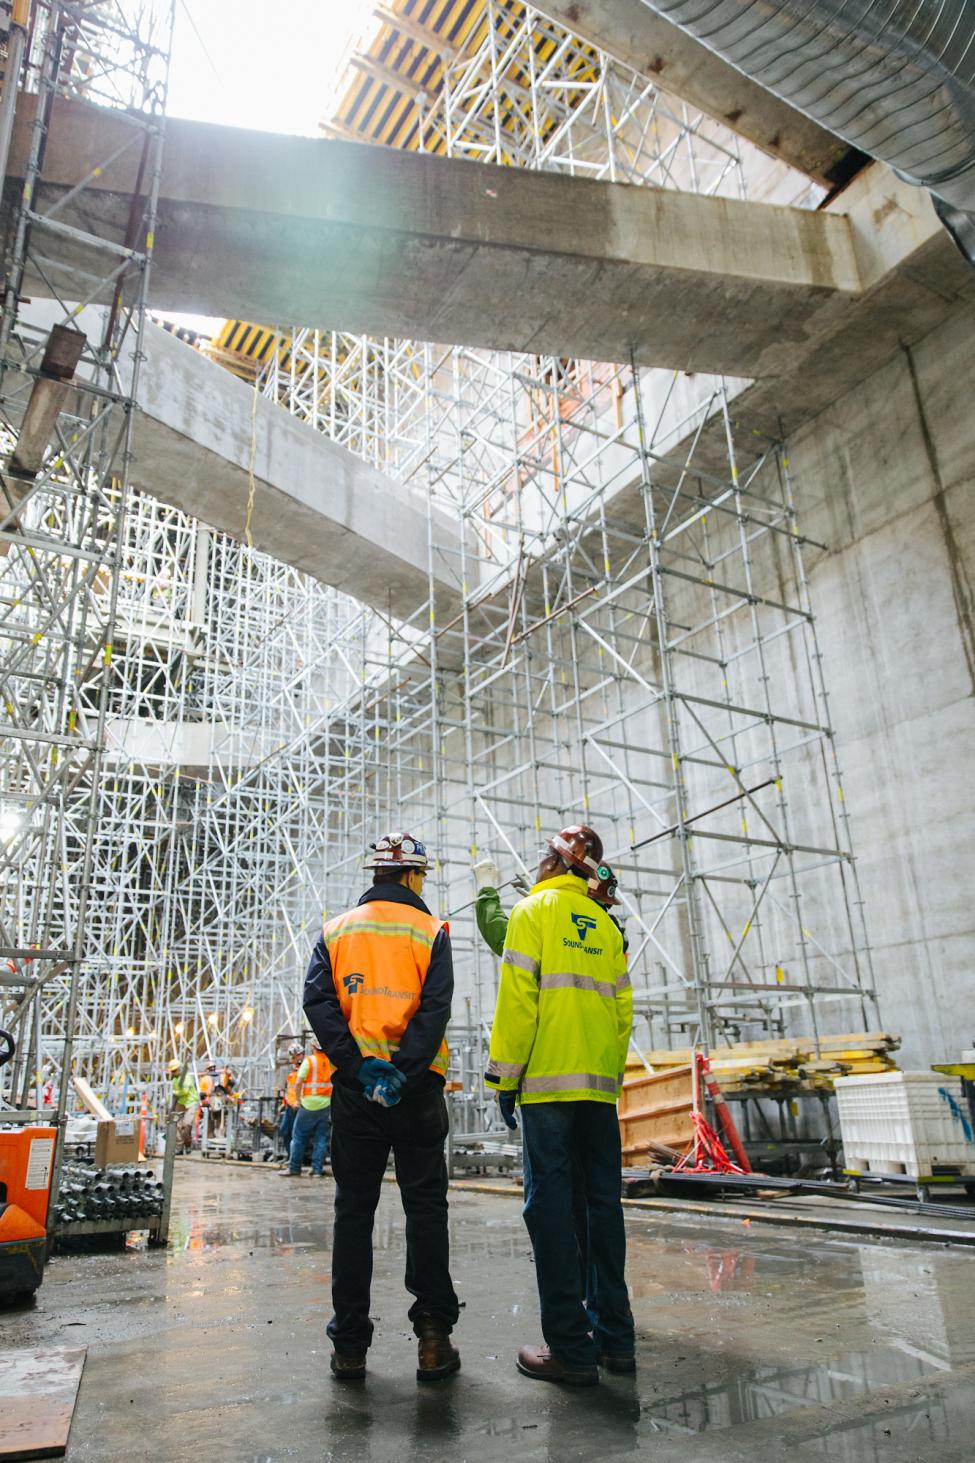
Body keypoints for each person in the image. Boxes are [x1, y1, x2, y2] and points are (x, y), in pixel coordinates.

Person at [304, 831, 460, 1384]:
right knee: (425, 1210)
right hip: (415, 1093)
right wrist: (405, 1071)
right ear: (415, 876)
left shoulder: (336, 930)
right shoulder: (431, 930)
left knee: (353, 1214)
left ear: (376, 875)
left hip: (356, 1093)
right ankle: (434, 1341)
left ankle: (350, 1347)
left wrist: (358, 1067)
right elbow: (435, 1009)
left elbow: (318, 1004)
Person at [486, 823, 634, 1387]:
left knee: (548, 1211)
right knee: (602, 1210)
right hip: (597, 1090)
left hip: (547, 1087)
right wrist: (607, 1077)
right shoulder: (604, 924)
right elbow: (623, 1014)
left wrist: (505, 1075)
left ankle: (570, 1350)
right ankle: (616, 1341)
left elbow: (519, 1003)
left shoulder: (532, 912)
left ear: (555, 863)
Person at [282, 1037, 332, 1178]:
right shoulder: (330, 1061)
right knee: (321, 1139)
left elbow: (299, 1082)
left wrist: (297, 1100)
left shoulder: (309, 1061)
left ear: (313, 1047)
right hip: (326, 1105)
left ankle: (294, 1168)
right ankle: (317, 1170)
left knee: (298, 1137)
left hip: (309, 1105)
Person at [278, 1043, 304, 1160]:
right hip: (289, 1106)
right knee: (284, 1131)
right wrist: (284, 1103)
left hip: (298, 1106)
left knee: (296, 1134)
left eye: (296, 1056)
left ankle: (295, 1158)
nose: (294, 1059)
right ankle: (290, 1156)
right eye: (293, 1057)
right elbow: (289, 1089)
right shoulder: (293, 1072)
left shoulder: (304, 1069)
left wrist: (299, 1102)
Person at [168, 1058, 197, 1154]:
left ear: (179, 1069)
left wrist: (175, 1092)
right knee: (178, 1125)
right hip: (181, 1103)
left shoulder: (186, 1078)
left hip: (190, 1102)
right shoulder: (175, 1080)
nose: (173, 1073)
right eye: (172, 1071)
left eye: (174, 1071)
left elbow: (184, 1092)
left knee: (186, 1124)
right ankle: (179, 1147)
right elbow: (176, 1094)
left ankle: (188, 1145)